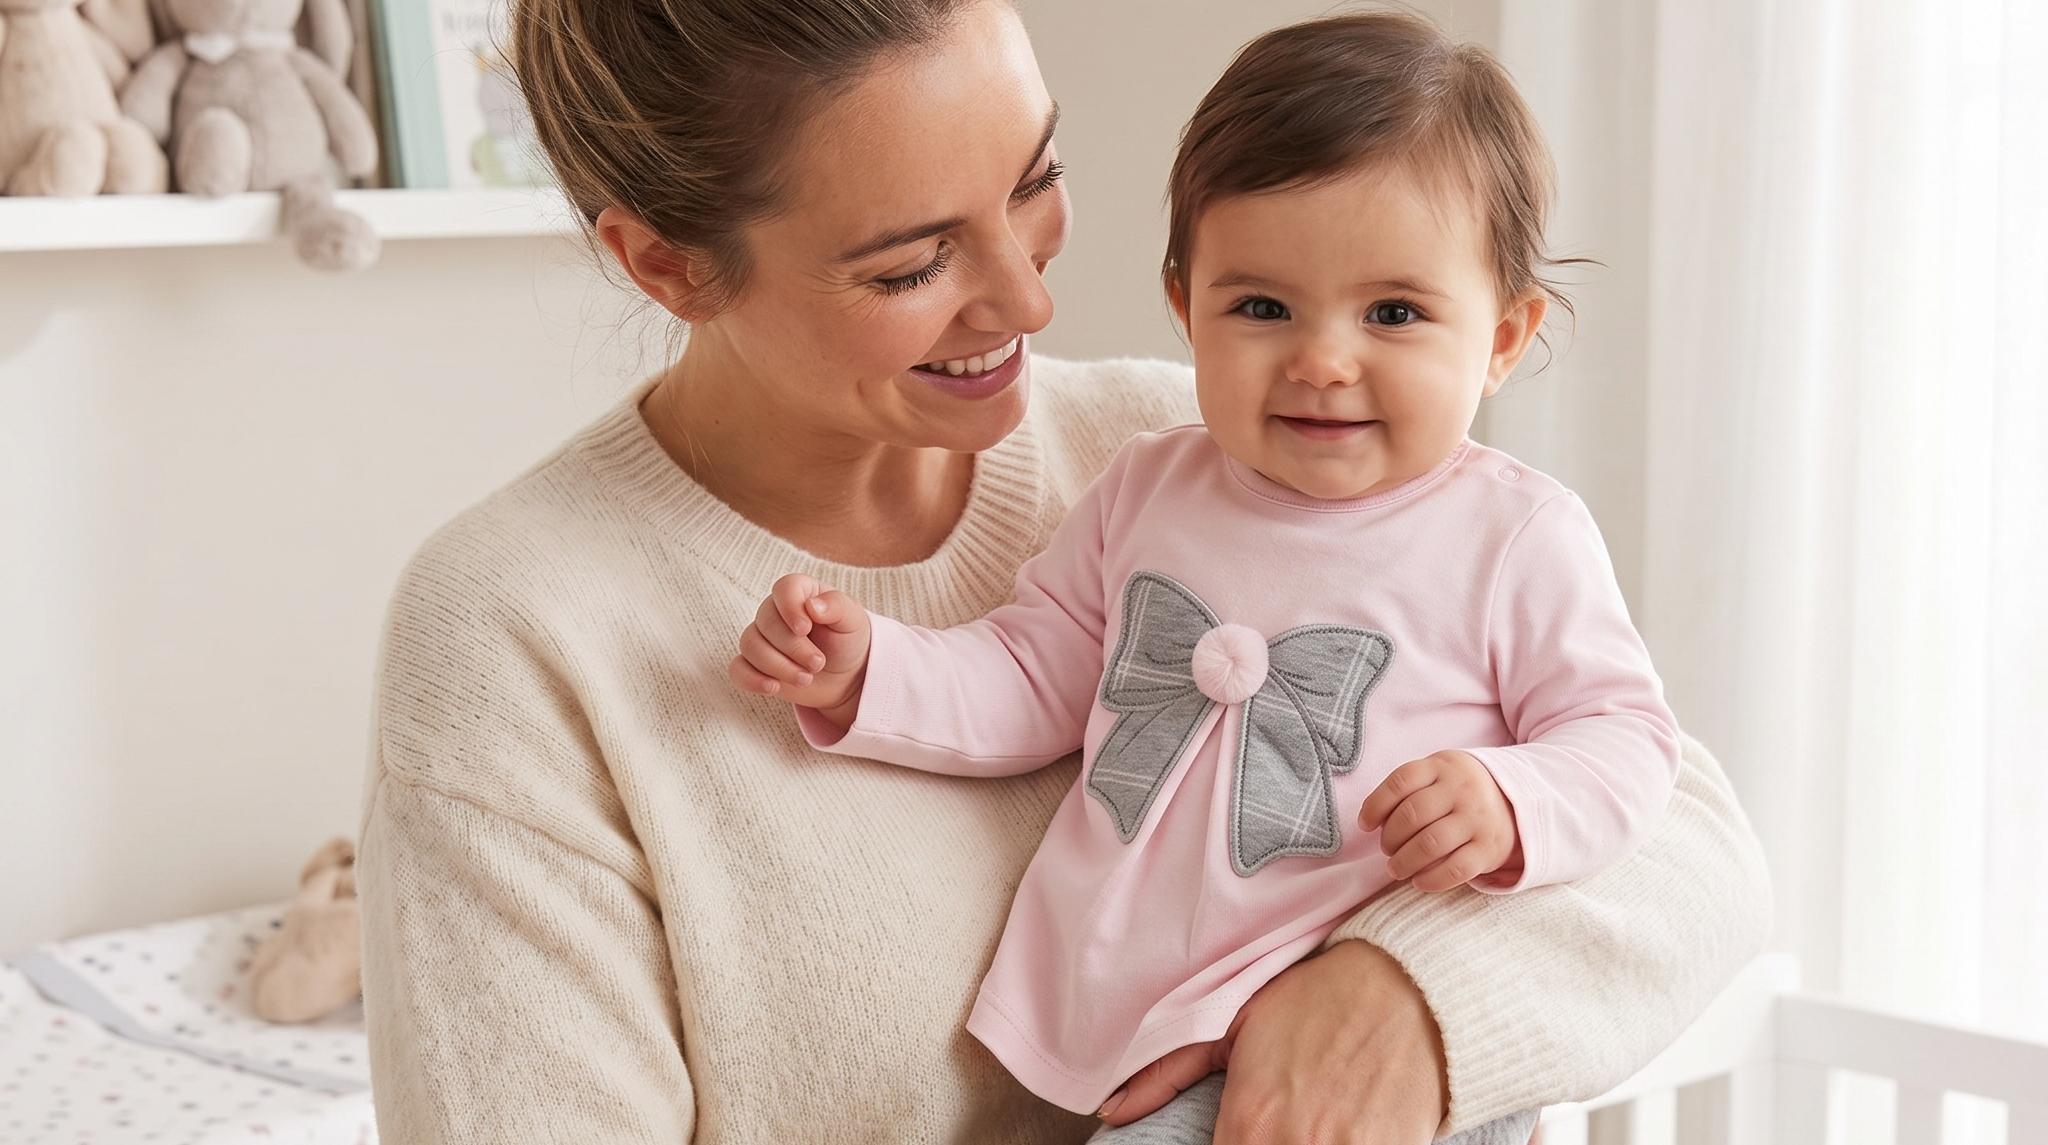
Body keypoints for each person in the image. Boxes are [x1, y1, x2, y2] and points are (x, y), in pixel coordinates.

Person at [356, 0, 1772, 1141]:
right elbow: (1021, 674)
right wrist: (870, 673)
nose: (1032, 299)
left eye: (1035, 179)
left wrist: (1403, 996)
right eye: (910, 264)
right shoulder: (518, 635)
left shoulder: (1191, 443)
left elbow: (1681, 830)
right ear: (667, 264)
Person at [731, 12, 1677, 1143]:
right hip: (1148, 1024)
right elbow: (1032, 672)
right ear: (1185, 305)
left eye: (1393, 313)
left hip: (1354, 1043)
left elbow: (1625, 739)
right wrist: (872, 670)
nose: (1322, 359)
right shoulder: (1148, 486)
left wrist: (1511, 801)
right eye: (1262, 307)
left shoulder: (1512, 536)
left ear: (1503, 337)